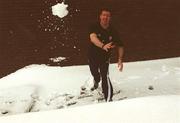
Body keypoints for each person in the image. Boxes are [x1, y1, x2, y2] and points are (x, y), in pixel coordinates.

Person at [88, 7, 124, 102]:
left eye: (107, 16)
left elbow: (120, 45)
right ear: (100, 16)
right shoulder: (94, 26)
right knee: (95, 74)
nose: (105, 17)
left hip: (105, 58)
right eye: (104, 15)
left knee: (105, 76)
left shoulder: (113, 31)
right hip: (92, 56)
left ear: (110, 18)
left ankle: (109, 99)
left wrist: (120, 59)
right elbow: (93, 38)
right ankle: (96, 79)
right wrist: (103, 46)